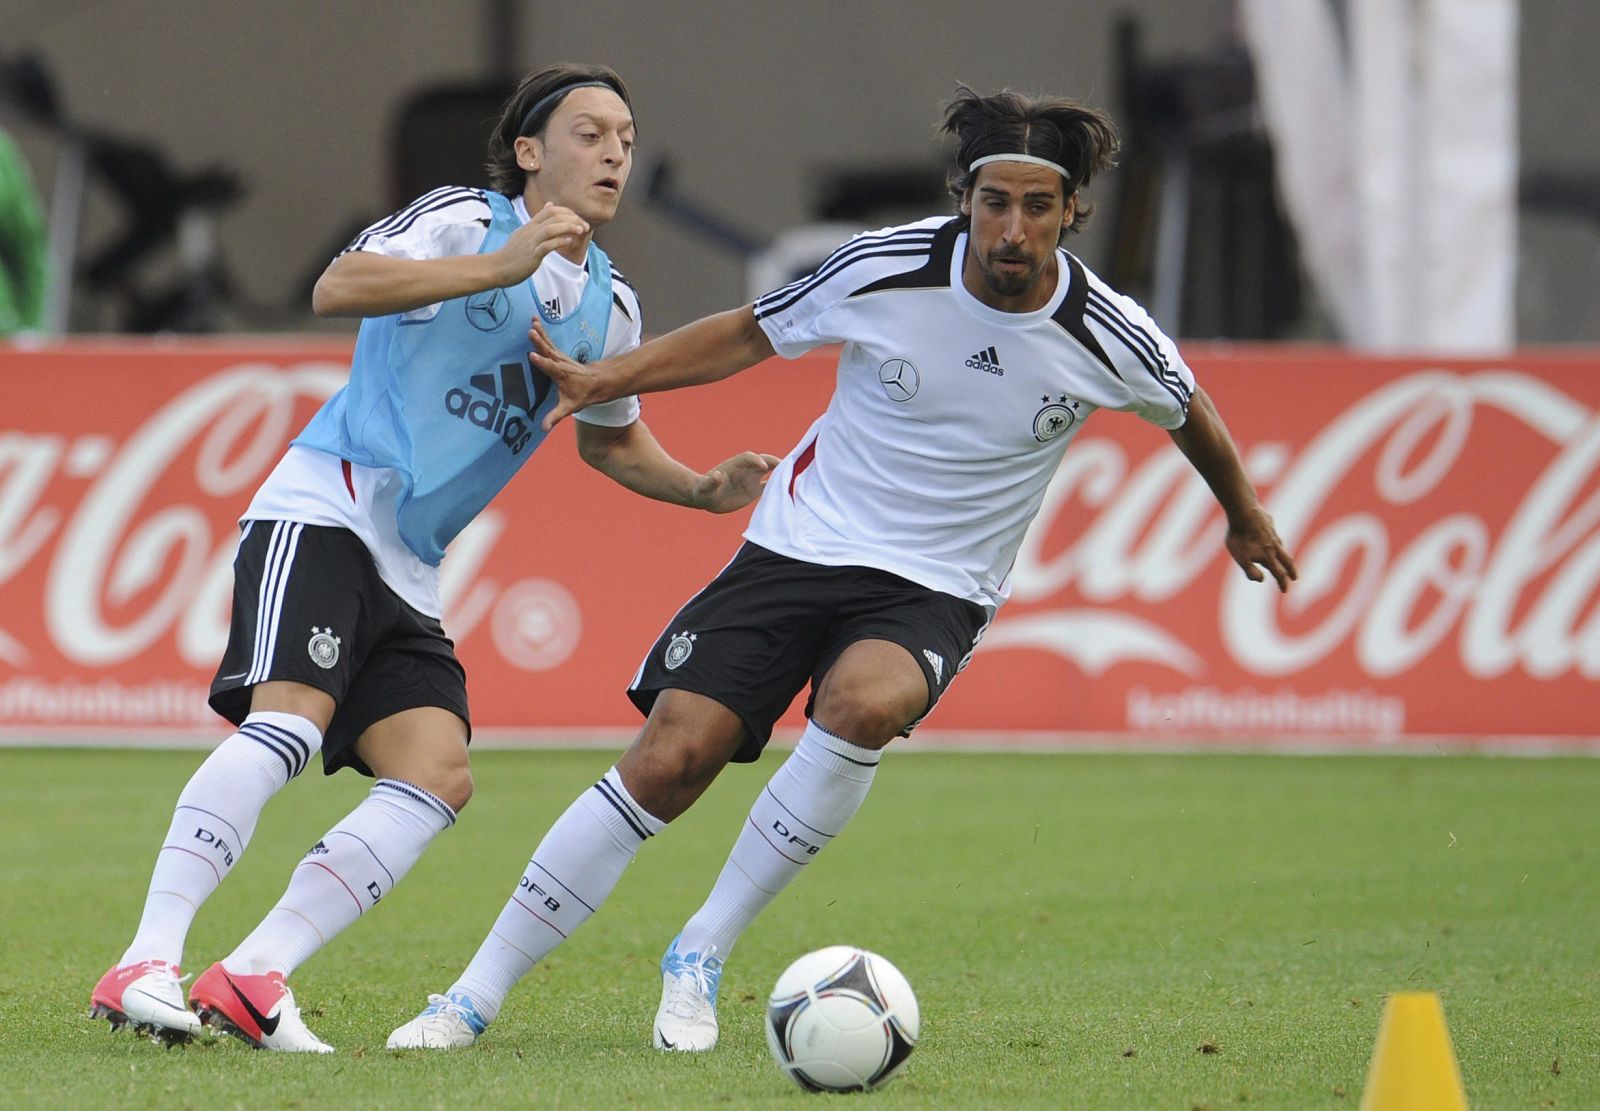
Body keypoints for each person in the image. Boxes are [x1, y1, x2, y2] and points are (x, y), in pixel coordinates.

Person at [387, 84, 1297, 1052]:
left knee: (864, 704)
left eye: (1039, 206)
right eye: (995, 201)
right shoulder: (885, 267)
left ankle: (701, 948)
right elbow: (748, 331)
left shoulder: (1106, 332)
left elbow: (1187, 408)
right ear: (963, 197)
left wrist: (1242, 515)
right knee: (671, 755)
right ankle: (470, 995)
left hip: (938, 583)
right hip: (799, 543)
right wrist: (615, 374)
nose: (1014, 227)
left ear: (1072, 211)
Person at [87, 62, 778, 1053]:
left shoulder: (612, 307)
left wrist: (701, 488)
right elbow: (340, 284)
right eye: (589, 132)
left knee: (436, 773)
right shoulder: (465, 220)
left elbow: (608, 436)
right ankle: (145, 959)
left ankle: (252, 975)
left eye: (625, 135)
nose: (615, 151)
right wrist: (500, 267)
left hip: (410, 565)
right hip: (328, 505)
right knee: (287, 729)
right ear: (531, 152)